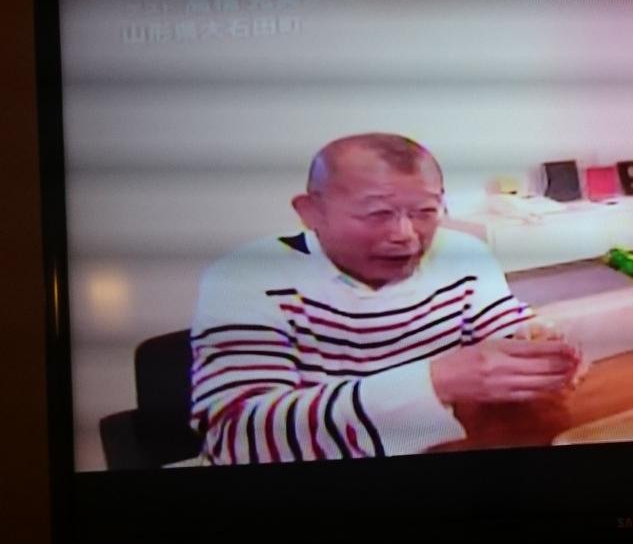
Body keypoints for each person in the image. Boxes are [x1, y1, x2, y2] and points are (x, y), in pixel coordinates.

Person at [188, 133, 580, 464]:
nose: (406, 235)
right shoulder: (248, 275)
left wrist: (537, 348)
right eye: (377, 214)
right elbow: (239, 440)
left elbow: (506, 329)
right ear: (310, 212)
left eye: (425, 212)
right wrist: (436, 382)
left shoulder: (462, 253)